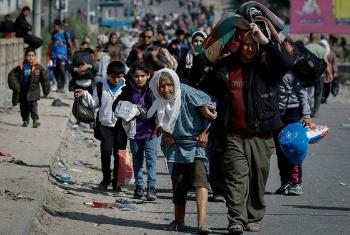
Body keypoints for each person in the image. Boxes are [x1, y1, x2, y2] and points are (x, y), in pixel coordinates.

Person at [205, 23, 294, 234]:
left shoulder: (266, 64)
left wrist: (264, 40)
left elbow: (288, 62)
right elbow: (207, 86)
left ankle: (253, 216)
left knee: (257, 179)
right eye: (246, 44)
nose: (250, 48)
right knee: (236, 179)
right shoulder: (225, 66)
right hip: (233, 134)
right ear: (238, 44)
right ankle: (236, 219)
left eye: (253, 44)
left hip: (262, 134)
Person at [148, 68, 216, 234]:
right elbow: (159, 118)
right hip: (175, 145)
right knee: (178, 184)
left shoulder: (187, 93)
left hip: (196, 144)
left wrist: (205, 133)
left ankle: (202, 223)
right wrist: (164, 133)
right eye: (162, 86)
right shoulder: (157, 97)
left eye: (169, 85)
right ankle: (179, 221)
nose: (166, 90)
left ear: (175, 83)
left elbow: (212, 108)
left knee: (200, 183)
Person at [74, 61, 127, 192]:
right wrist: (84, 94)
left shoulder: (127, 87)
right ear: (108, 75)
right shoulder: (100, 86)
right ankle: (106, 179)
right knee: (106, 152)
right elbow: (94, 104)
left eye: (119, 77)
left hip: (121, 127)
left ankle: (116, 181)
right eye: (113, 77)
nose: (116, 80)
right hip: (105, 126)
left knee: (119, 155)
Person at [119, 62, 158, 201]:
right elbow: (116, 106)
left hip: (151, 132)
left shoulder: (153, 91)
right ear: (132, 77)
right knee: (137, 160)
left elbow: (160, 108)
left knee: (151, 160)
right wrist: (127, 109)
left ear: (148, 76)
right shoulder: (128, 91)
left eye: (143, 76)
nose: (140, 79)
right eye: (136, 76)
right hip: (134, 133)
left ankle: (151, 187)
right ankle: (139, 186)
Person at [273, 70, 316, 196]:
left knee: (294, 147)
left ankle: (296, 183)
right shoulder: (271, 67)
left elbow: (303, 93)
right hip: (276, 114)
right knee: (280, 150)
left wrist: (306, 115)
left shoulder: (293, 70)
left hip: (292, 113)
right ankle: (285, 181)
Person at [8, 47, 50, 128]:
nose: (30, 57)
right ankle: (25, 120)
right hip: (23, 92)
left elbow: (45, 80)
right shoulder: (21, 67)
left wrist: (46, 90)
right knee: (23, 107)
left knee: (33, 106)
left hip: (33, 92)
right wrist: (15, 86)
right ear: (25, 57)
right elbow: (11, 75)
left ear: (35, 57)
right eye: (28, 55)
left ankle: (35, 120)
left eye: (32, 55)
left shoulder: (38, 68)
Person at [305, 33, 332, 118]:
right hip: (320, 75)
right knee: (318, 93)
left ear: (309, 38)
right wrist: (329, 73)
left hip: (308, 74)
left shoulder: (305, 48)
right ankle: (315, 112)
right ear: (318, 39)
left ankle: (308, 111)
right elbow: (325, 63)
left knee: (308, 93)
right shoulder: (321, 49)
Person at [50, 19, 72, 92]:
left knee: (62, 69)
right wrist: (50, 53)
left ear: (59, 26)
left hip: (63, 56)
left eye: (55, 26)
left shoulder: (65, 34)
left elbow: (70, 44)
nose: (54, 27)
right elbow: (52, 44)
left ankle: (62, 86)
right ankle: (59, 86)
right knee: (55, 70)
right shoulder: (54, 34)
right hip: (54, 56)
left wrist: (71, 54)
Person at [322, 36, 338, 103]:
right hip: (325, 72)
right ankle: (323, 97)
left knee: (326, 86)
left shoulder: (332, 53)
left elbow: (334, 63)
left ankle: (324, 97)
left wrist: (335, 72)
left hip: (327, 72)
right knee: (325, 86)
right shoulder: (323, 52)